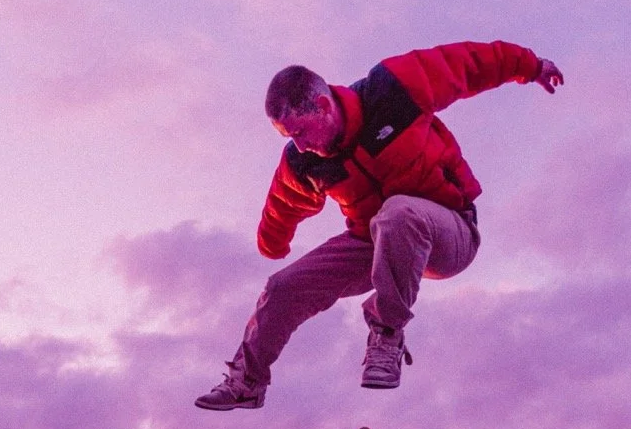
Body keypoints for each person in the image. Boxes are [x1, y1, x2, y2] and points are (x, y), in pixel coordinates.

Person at [195, 39, 563, 410]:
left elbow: (469, 63)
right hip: (375, 242)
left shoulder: (394, 88)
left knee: (398, 213)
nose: (301, 146)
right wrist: (273, 244)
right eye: (290, 138)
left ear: (323, 106)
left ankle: (387, 331)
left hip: (451, 232)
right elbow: (282, 204)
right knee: (283, 287)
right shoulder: (303, 162)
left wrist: (533, 67)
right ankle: (247, 382)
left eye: (301, 132)